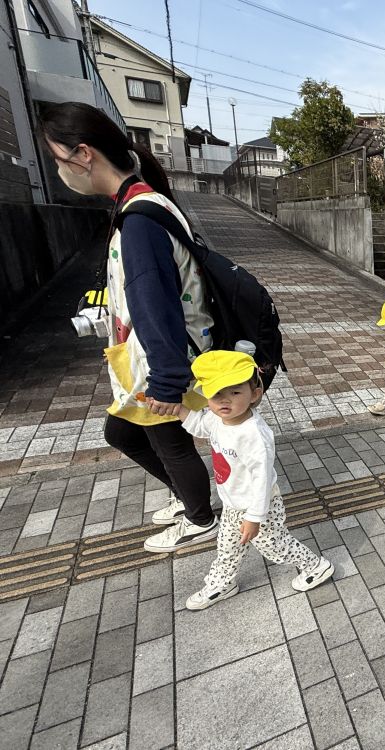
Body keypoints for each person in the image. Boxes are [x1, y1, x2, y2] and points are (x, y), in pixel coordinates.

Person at [40, 102, 219, 553]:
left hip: (160, 360)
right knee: (125, 433)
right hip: (153, 355)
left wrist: (167, 380)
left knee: (166, 441)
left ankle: (199, 517)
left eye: (57, 159)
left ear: (83, 155)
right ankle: (190, 500)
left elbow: (155, 305)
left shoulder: (139, 219)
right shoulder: (141, 205)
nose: (59, 170)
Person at [149, 351, 334, 609]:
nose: (224, 401)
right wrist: (178, 409)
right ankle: (223, 584)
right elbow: (200, 426)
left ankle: (315, 566)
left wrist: (254, 517)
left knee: (276, 547)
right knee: (227, 548)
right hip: (234, 504)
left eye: (235, 393)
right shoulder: (218, 417)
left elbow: (262, 480)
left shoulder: (254, 435)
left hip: (260, 507)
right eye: (215, 394)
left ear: (254, 394)